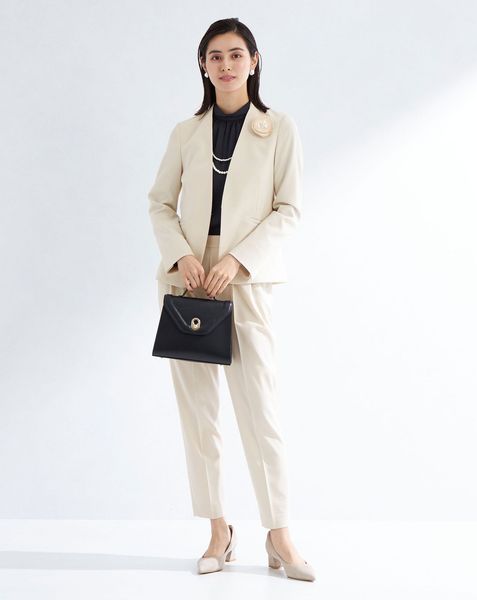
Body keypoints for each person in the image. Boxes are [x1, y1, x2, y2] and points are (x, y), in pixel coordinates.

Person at [148, 17, 315, 582]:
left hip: (246, 276)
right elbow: (159, 203)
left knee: (260, 409)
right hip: (188, 280)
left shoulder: (279, 128)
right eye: (215, 56)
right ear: (203, 65)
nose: (225, 65)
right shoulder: (185, 132)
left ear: (254, 61)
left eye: (235, 54)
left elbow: (289, 209)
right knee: (200, 415)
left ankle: (279, 535)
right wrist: (182, 257)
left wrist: (237, 260)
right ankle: (219, 531)